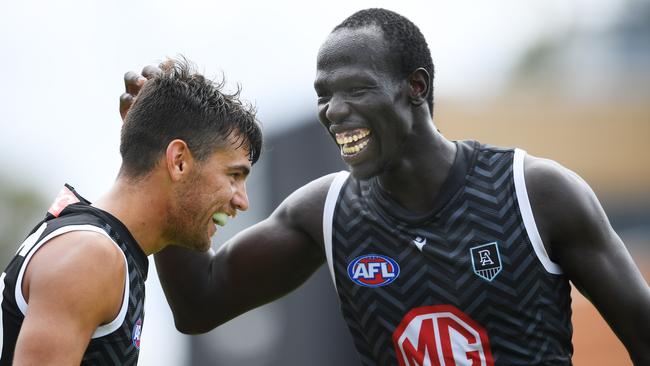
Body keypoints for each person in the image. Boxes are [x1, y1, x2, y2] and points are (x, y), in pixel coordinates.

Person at [122, 9, 650, 365]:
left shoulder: (536, 192)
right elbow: (200, 303)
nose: (335, 111)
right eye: (324, 95)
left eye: (355, 89)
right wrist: (166, 167)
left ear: (415, 87)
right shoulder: (325, 212)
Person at [0, 57, 262, 365]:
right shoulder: (92, 256)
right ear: (179, 161)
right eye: (234, 175)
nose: (242, 201)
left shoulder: (109, 252)